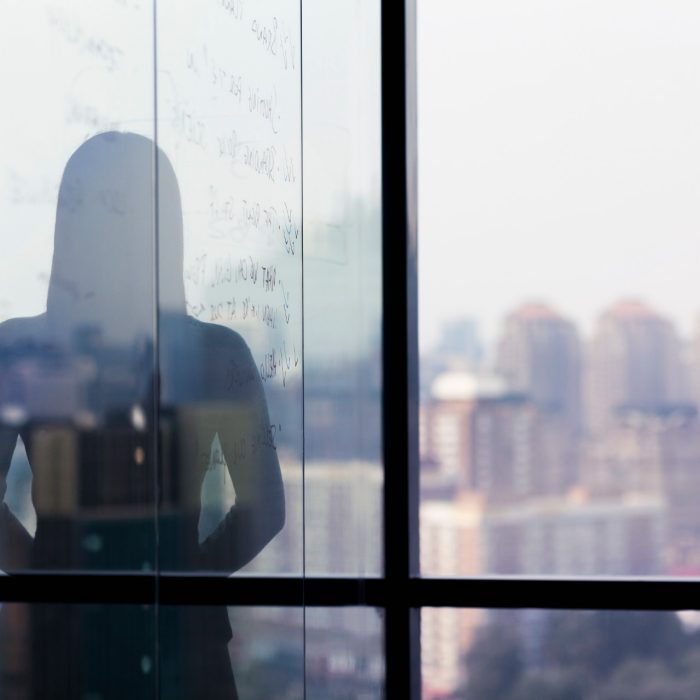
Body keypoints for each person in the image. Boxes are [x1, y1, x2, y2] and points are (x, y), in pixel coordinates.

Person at [0, 132, 285, 698]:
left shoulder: (23, 348)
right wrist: (185, 581)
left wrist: (52, 578)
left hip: (66, 643)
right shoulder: (216, 353)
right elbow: (264, 509)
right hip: (184, 640)